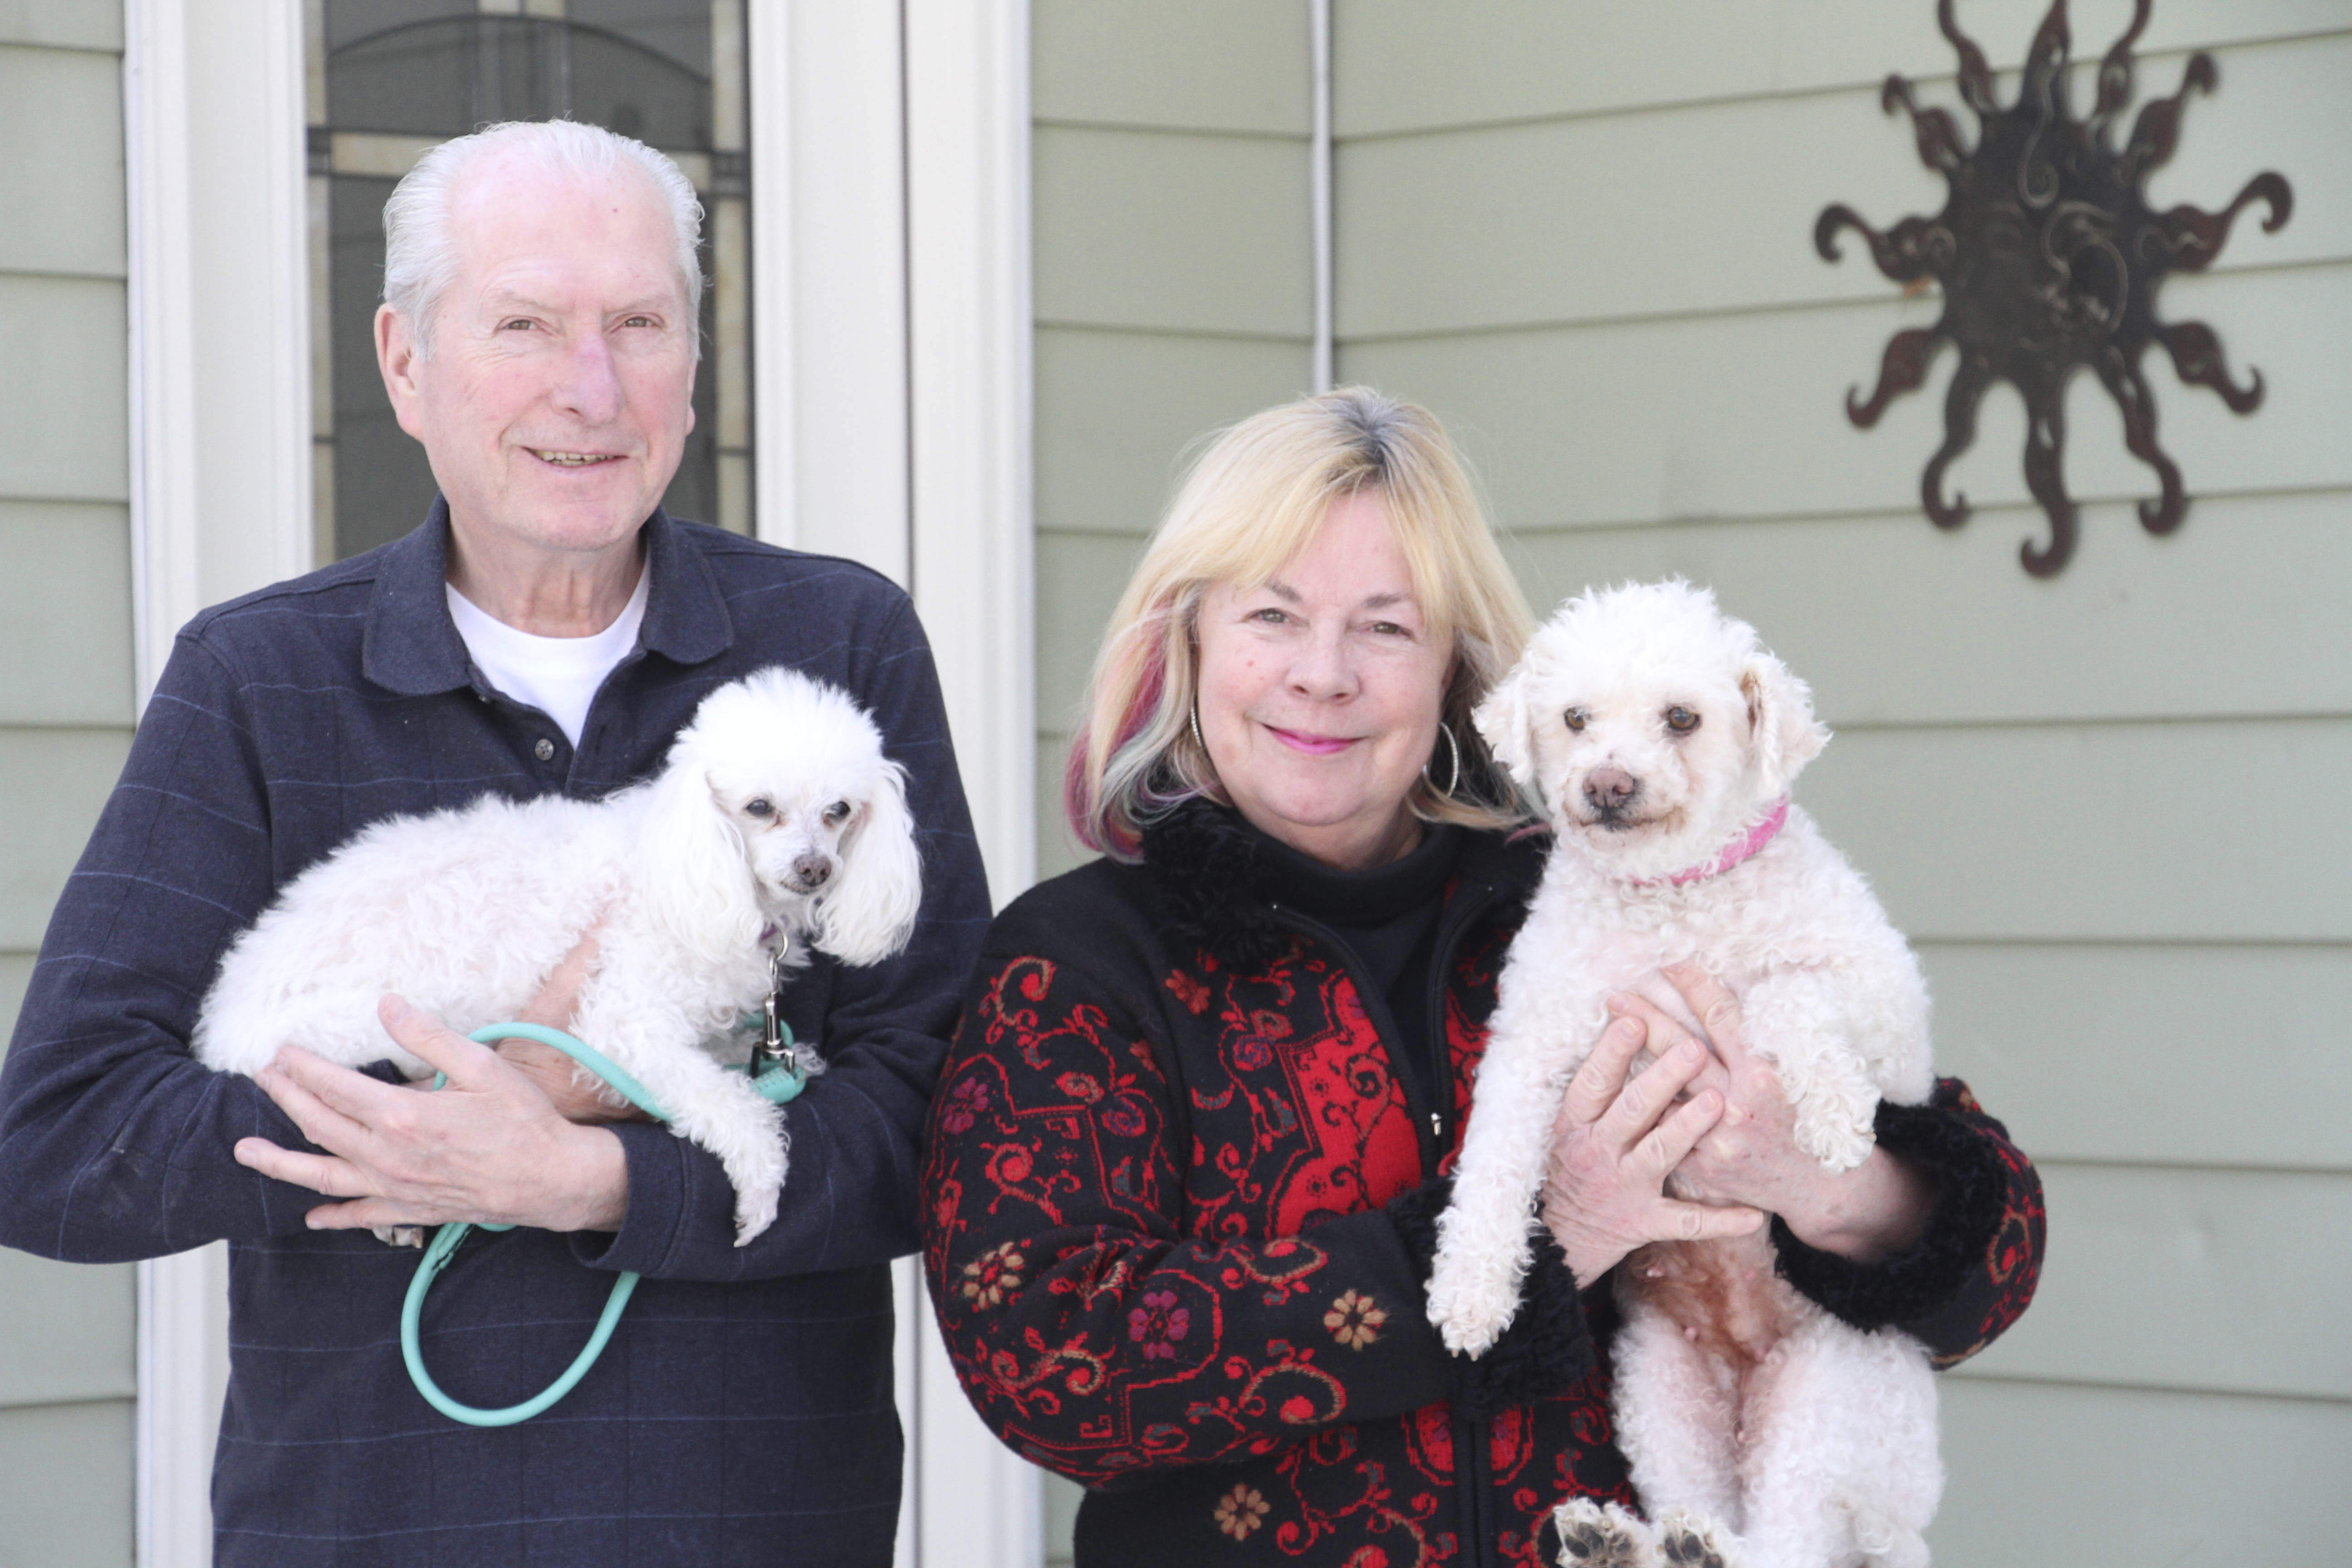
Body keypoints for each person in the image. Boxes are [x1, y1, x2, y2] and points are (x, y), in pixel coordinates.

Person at [0, 121, 987, 1565]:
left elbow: (954, 1123)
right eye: (524, 324)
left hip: (759, 1525)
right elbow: (60, 1143)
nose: (590, 389)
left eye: (639, 324)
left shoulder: (834, 646)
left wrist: (596, 1178)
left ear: (692, 360)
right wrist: (426, 1119)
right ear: (405, 364)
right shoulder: (260, 680)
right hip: (371, 1528)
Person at [918, 387, 2043, 1568]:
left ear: (1456, 663)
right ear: (1186, 636)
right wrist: (1544, 1230)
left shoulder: (1596, 894)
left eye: (1387, 628)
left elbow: (1994, 1261)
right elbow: (1049, 1366)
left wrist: (1823, 1183)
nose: (1324, 674)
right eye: (1273, 616)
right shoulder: (1082, 963)